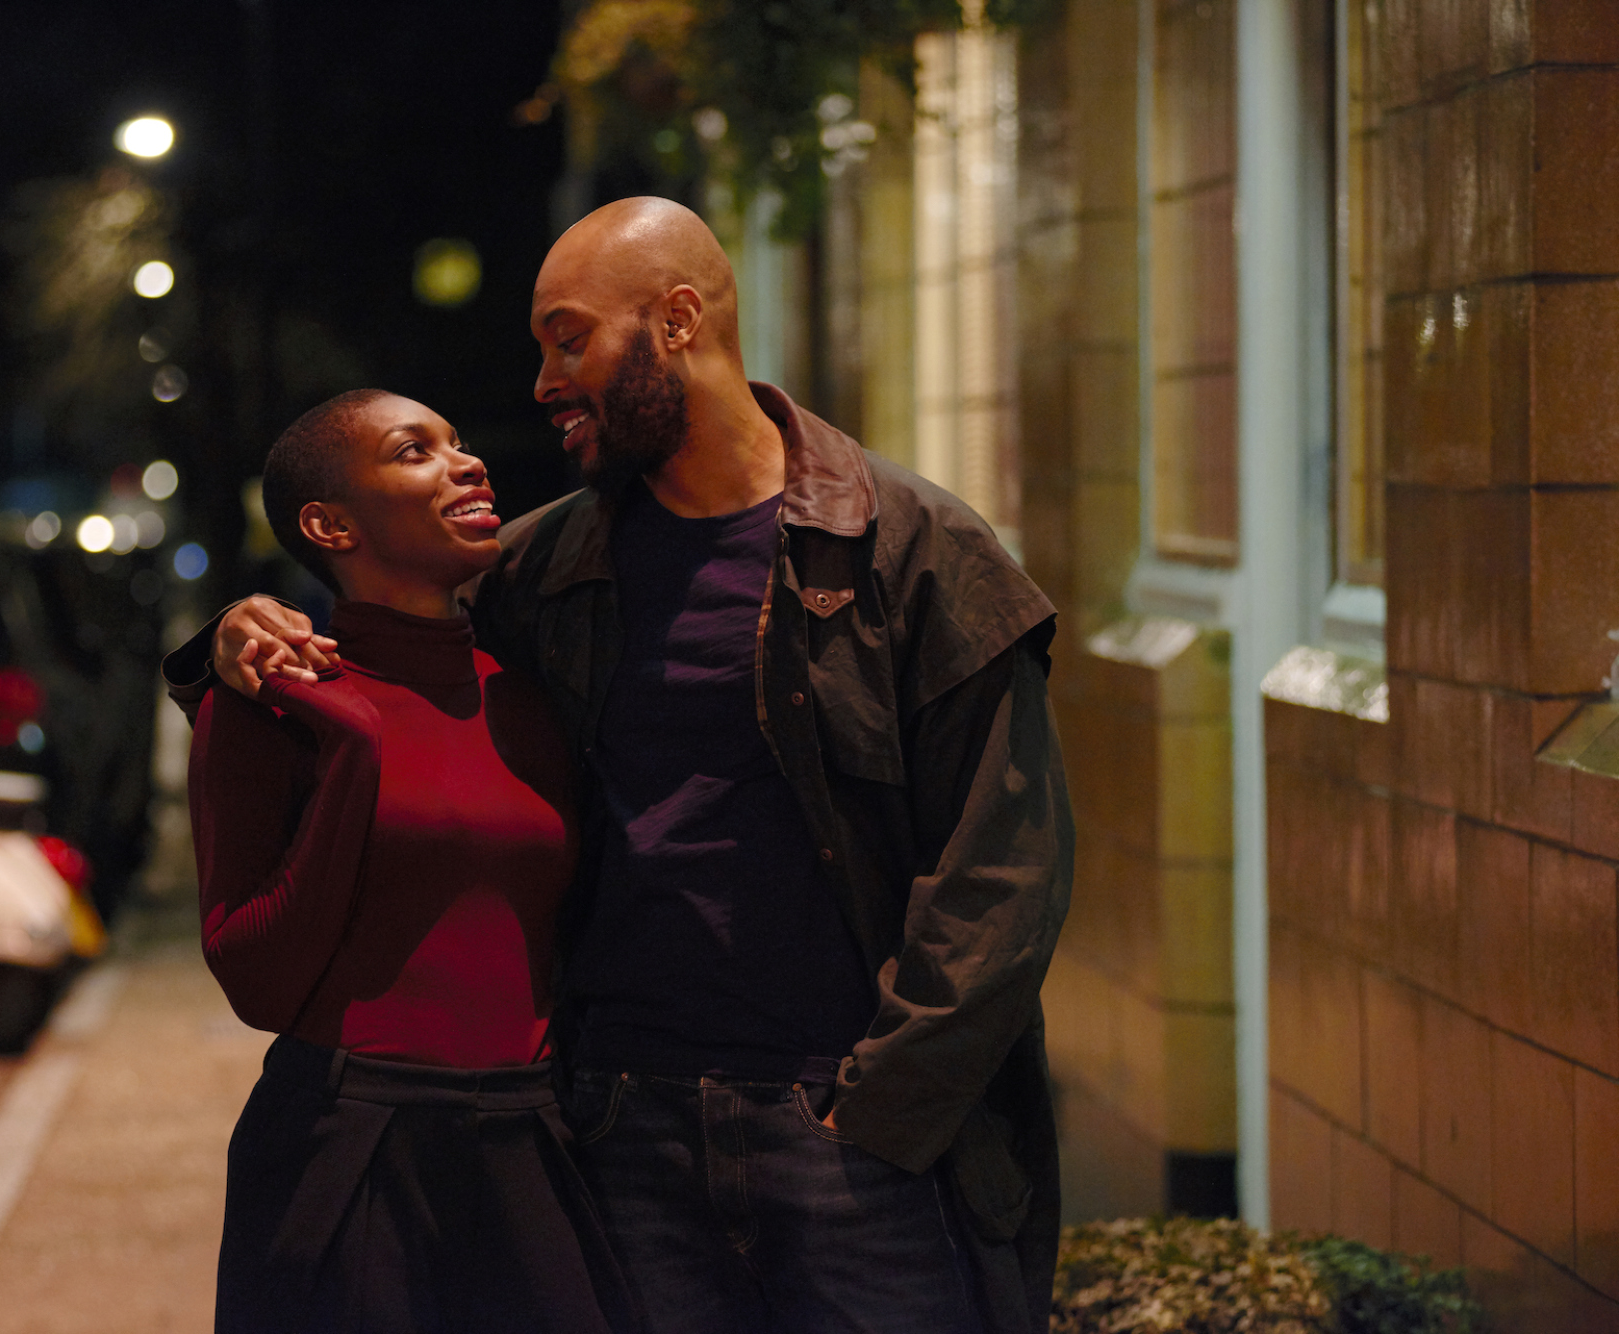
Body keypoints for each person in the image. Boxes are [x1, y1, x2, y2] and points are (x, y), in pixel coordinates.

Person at [171, 198, 1074, 1334]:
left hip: (852, 1140)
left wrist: (886, 1109)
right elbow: (391, 658)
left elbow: (1006, 866)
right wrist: (236, 636)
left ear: (679, 319)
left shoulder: (914, 549)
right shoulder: (544, 565)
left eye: (568, 337)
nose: (546, 383)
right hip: (614, 1131)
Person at [186, 388, 632, 1333]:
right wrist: (351, 753)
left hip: (529, 1136)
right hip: (348, 1146)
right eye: (414, 451)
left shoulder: (531, 691)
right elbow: (254, 979)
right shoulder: (271, 697)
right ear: (329, 523)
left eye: (461, 444)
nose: (466, 463)